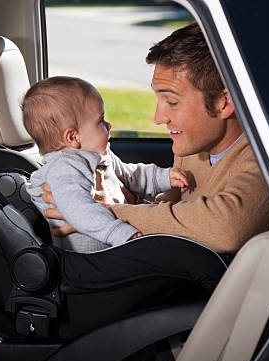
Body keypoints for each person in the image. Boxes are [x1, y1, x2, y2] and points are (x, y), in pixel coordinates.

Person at [43, 23, 269, 254]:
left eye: (172, 102)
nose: (158, 118)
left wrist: (96, 214)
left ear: (223, 103)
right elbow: (173, 213)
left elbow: (225, 229)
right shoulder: (194, 147)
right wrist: (117, 200)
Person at [23, 76, 189, 253]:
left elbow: (131, 176)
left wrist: (163, 177)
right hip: (95, 259)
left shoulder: (100, 155)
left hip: (115, 246)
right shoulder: (64, 167)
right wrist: (119, 232)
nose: (108, 125)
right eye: (100, 121)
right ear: (73, 137)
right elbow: (80, 210)